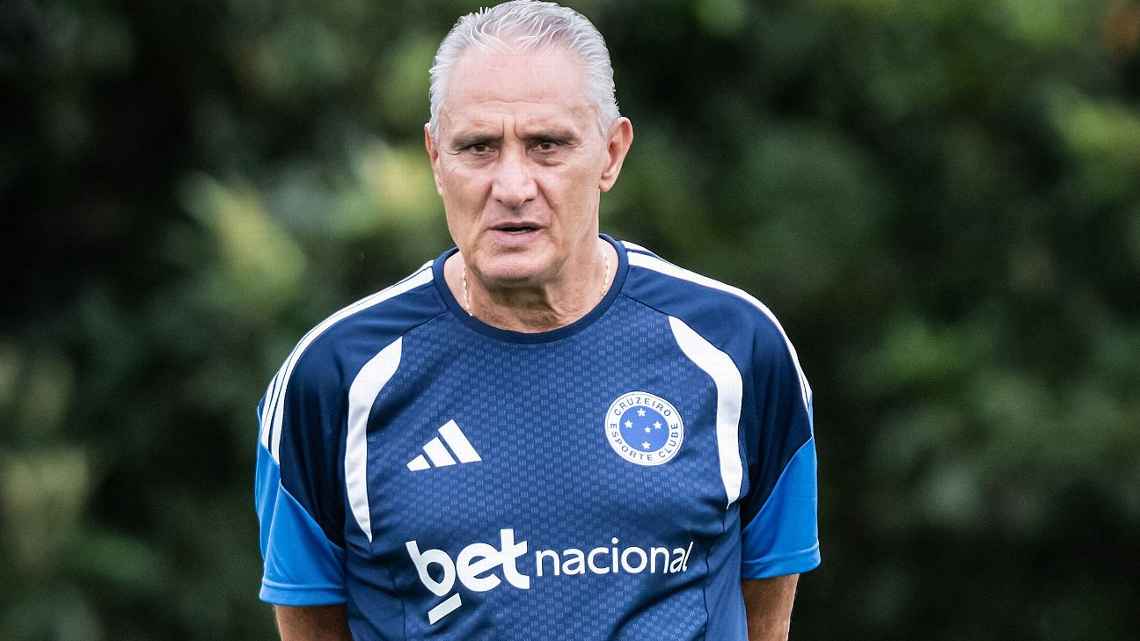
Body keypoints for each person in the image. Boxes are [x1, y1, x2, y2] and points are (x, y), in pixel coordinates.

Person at [254, 1, 820, 639]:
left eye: (547, 145)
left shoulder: (736, 348)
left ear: (611, 153)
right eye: (478, 148)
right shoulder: (334, 379)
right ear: (436, 158)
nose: (512, 185)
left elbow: (765, 614)